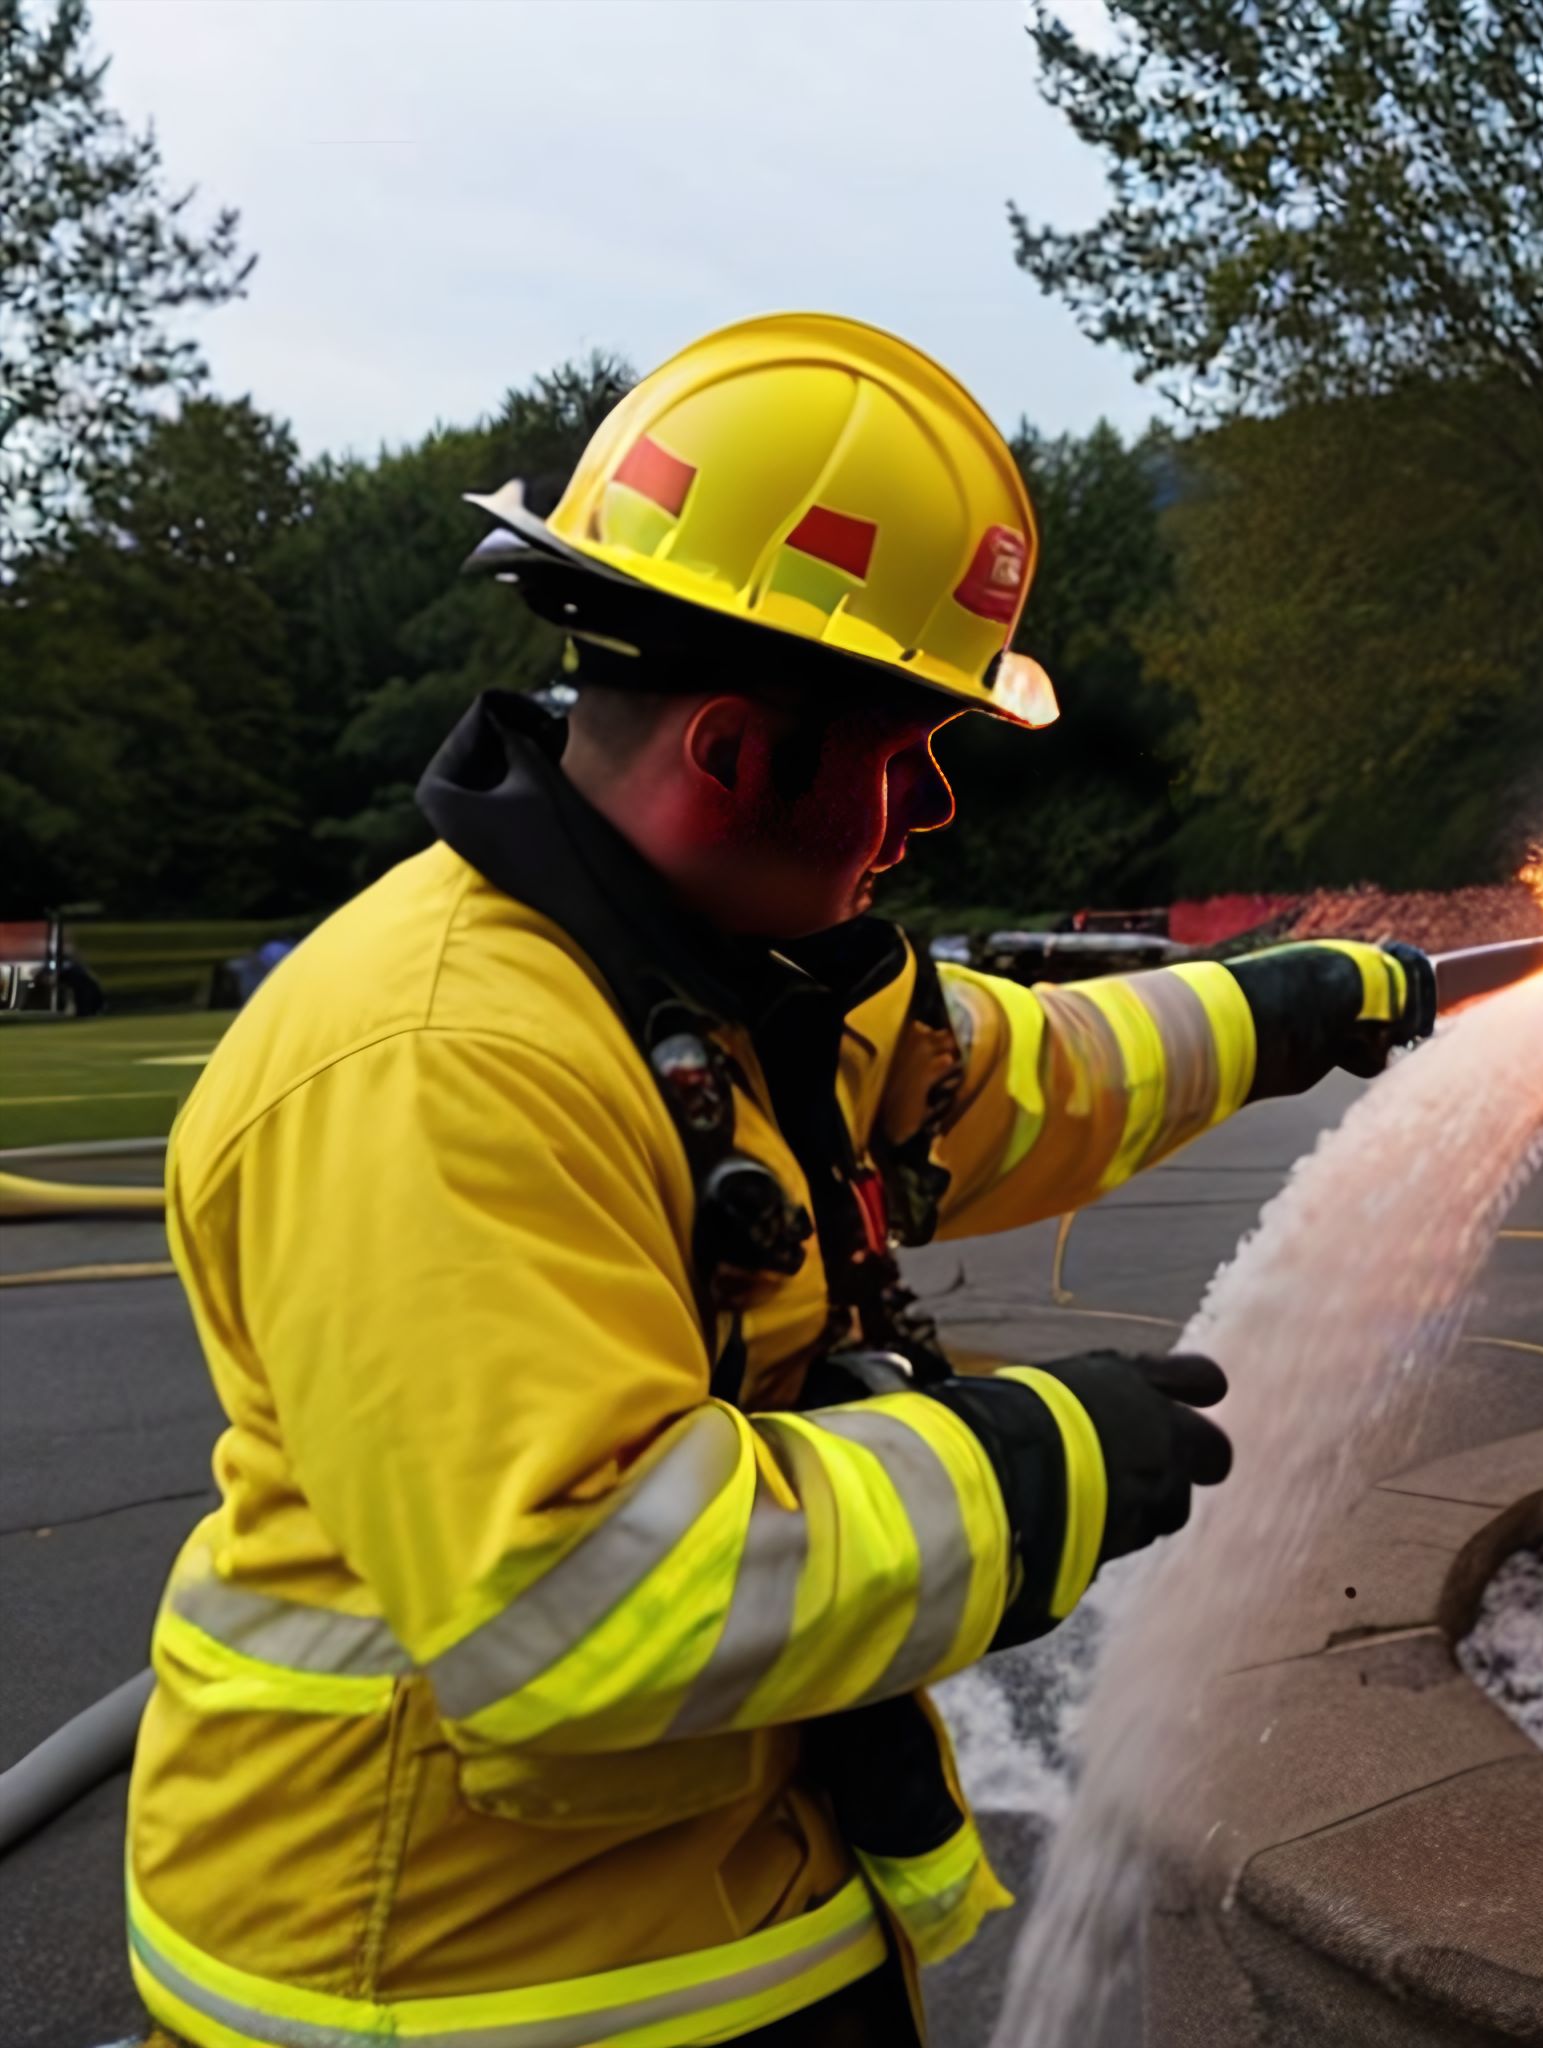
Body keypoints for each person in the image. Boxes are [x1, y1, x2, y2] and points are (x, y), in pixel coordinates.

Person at [124, 313, 1432, 2047]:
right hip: (454, 1987)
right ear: (736, 751)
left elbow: (1021, 1079)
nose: (930, 811)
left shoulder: (728, 987)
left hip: (701, 1918)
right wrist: (1025, 1472)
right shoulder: (440, 1068)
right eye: (906, 752)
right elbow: (575, 1599)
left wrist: (1281, 1003)